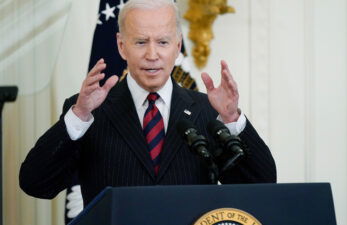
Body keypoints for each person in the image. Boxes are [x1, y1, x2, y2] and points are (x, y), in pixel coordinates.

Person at [19, 0, 276, 207]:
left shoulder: (209, 111)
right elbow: (36, 184)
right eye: (141, 42)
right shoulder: (89, 111)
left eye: (163, 42)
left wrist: (232, 120)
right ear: (121, 46)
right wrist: (79, 116)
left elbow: (262, 186)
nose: (152, 55)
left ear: (177, 47)